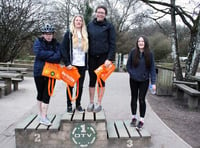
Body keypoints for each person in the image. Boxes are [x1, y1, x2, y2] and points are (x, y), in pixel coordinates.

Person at [87, 5, 116, 113]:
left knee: (101, 81)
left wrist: (109, 58)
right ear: (95, 13)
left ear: (105, 15)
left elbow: (112, 43)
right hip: (92, 57)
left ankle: (99, 103)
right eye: (98, 12)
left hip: (104, 58)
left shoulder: (109, 26)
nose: (100, 14)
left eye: (102, 13)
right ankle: (91, 102)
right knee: (92, 80)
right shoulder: (89, 25)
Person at [33, 23, 61, 126]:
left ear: (53, 34)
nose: (48, 36)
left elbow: (58, 57)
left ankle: (44, 116)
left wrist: (46, 55)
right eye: (46, 34)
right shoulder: (38, 42)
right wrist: (51, 55)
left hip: (51, 73)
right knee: (40, 93)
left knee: (47, 94)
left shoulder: (57, 44)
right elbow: (38, 53)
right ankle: (40, 115)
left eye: (50, 34)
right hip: (39, 71)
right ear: (43, 34)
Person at [126, 35, 156, 130]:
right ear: (137, 43)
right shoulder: (133, 52)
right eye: (139, 41)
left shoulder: (149, 54)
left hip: (144, 80)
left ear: (145, 43)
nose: (140, 43)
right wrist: (132, 73)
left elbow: (152, 68)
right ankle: (134, 118)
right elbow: (128, 66)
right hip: (133, 79)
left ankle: (141, 120)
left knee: (142, 99)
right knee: (133, 98)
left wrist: (153, 82)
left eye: (142, 41)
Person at [61, 15, 88, 114]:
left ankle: (78, 105)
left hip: (82, 64)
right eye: (77, 20)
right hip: (72, 65)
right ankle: (69, 105)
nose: (78, 22)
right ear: (74, 22)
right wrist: (67, 63)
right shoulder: (69, 34)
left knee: (80, 86)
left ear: (82, 23)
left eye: (80, 20)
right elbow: (63, 48)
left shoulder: (85, 34)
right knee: (70, 85)